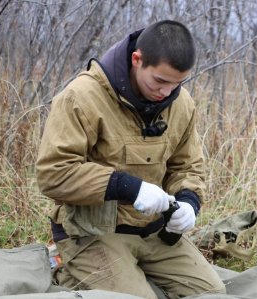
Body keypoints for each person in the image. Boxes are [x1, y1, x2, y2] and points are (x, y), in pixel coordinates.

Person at [36, 20, 226, 299]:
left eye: (177, 83)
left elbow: (187, 166)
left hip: (154, 232)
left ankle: (132, 272)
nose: (166, 92)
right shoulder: (82, 96)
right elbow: (54, 173)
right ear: (137, 60)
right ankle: (68, 269)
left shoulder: (181, 102)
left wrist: (189, 200)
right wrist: (127, 187)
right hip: (93, 232)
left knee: (213, 293)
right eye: (160, 81)